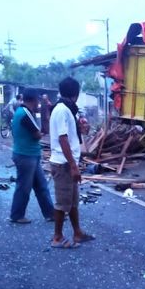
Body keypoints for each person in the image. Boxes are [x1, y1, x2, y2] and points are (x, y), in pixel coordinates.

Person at [49, 77, 94, 249]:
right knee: (62, 203)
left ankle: (77, 232)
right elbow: (62, 139)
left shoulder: (69, 110)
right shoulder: (62, 110)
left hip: (69, 162)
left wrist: (82, 127)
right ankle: (57, 237)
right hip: (63, 164)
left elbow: (71, 135)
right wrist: (74, 166)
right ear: (76, 93)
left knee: (73, 201)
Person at [9, 89, 55, 224]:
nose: (39, 103)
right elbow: (37, 134)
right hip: (26, 155)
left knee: (41, 185)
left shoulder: (21, 112)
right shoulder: (25, 114)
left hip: (29, 155)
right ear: (34, 99)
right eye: (38, 100)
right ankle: (17, 215)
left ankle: (50, 213)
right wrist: (42, 131)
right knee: (24, 187)